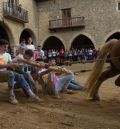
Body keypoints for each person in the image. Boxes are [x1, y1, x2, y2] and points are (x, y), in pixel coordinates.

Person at [0, 39, 41, 104]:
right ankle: (11, 97)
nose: (6, 48)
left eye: (7, 47)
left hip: (6, 73)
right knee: (11, 73)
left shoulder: (7, 55)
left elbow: (11, 65)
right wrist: (12, 64)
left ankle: (31, 95)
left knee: (21, 75)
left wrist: (15, 66)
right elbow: (9, 65)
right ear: (0, 46)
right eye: (4, 47)